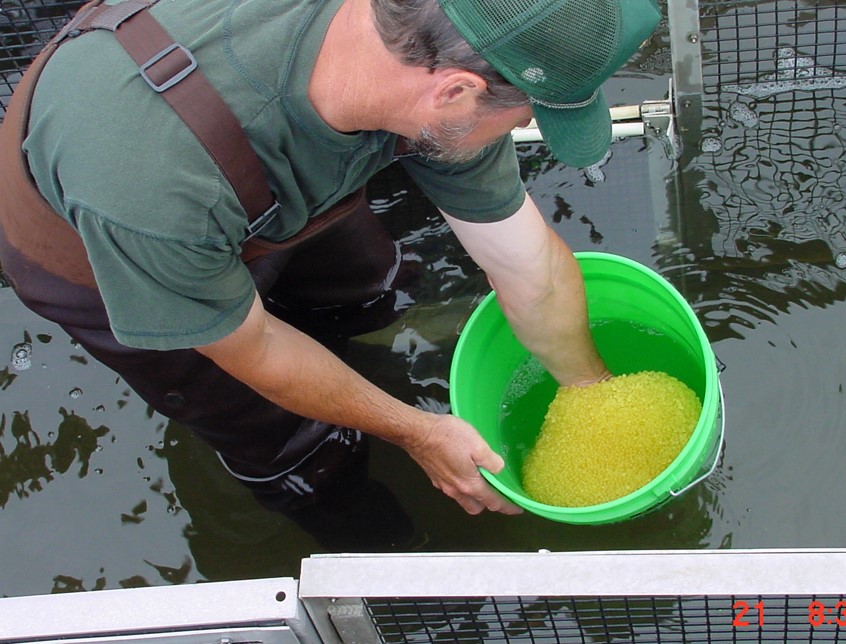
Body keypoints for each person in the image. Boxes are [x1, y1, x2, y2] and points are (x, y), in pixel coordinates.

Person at [0, 0, 660, 549]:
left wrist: (592, 391)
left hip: (256, 178)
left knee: (372, 292)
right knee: (290, 442)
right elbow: (252, 348)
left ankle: (361, 340)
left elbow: (529, 265)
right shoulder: (153, 186)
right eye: (525, 119)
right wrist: (419, 432)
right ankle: (373, 539)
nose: (519, 130)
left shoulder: (427, 49)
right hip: (104, 247)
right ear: (457, 93)